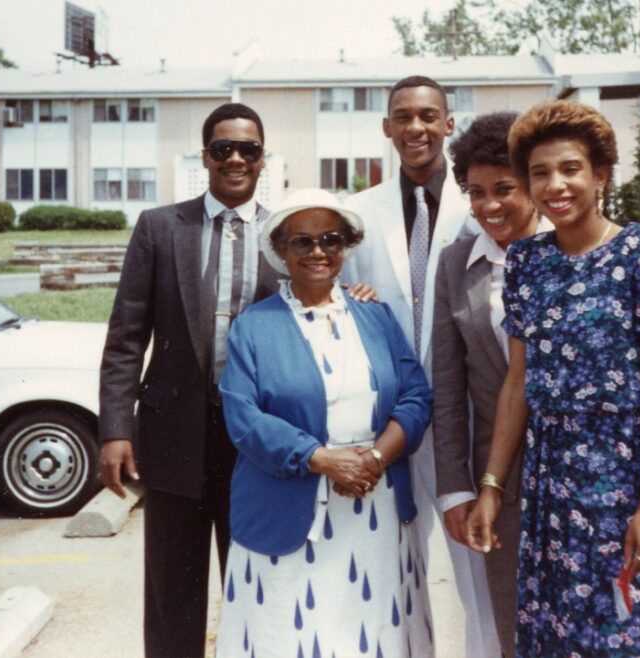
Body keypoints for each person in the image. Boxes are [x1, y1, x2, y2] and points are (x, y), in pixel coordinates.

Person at [434, 112, 640, 657]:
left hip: (623, 478)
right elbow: (518, 383)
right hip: (549, 489)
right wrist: (492, 487)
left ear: (601, 174)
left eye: (570, 169)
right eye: (540, 173)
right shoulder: (527, 262)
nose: (555, 185)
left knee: (630, 633)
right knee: (556, 638)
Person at [214, 188, 434, 657]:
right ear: (280, 249)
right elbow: (243, 417)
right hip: (287, 508)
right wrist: (321, 459)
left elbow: (416, 396)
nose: (318, 251)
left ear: (346, 246)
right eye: (302, 241)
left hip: (374, 509)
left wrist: (375, 458)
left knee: (371, 634)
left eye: (330, 239)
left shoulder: (375, 314)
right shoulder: (254, 326)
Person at [98, 103, 280, 657]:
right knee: (172, 597)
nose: (236, 159)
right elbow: (126, 337)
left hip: (254, 442)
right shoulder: (160, 228)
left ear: (263, 158)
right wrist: (115, 430)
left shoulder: (283, 234)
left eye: (248, 149)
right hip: (174, 435)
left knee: (258, 593)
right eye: (223, 148)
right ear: (205, 157)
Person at [342, 74, 500, 656]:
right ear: (386, 127)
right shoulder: (357, 214)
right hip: (387, 424)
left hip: (463, 421)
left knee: (477, 574)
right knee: (392, 578)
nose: (417, 127)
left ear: (449, 124)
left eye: (429, 116)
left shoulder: (478, 207)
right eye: (404, 117)